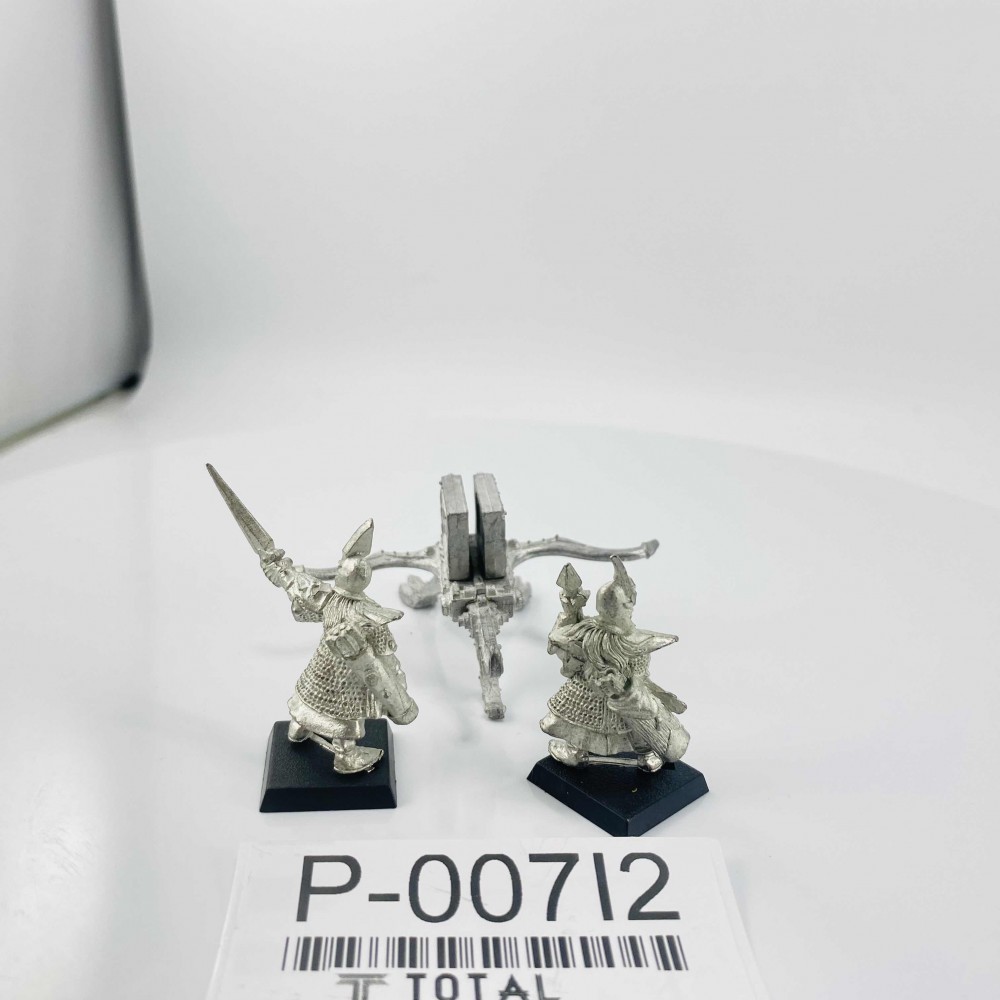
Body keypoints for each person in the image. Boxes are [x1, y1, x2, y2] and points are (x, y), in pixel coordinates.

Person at [541, 556, 689, 772]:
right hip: (598, 692)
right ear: (625, 607)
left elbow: (557, 637)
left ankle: (580, 751)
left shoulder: (587, 631)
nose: (631, 609)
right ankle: (646, 754)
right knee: (626, 718)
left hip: (610, 692)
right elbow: (560, 639)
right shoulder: (630, 640)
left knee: (629, 717)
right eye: (628, 605)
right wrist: (571, 612)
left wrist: (570, 613)